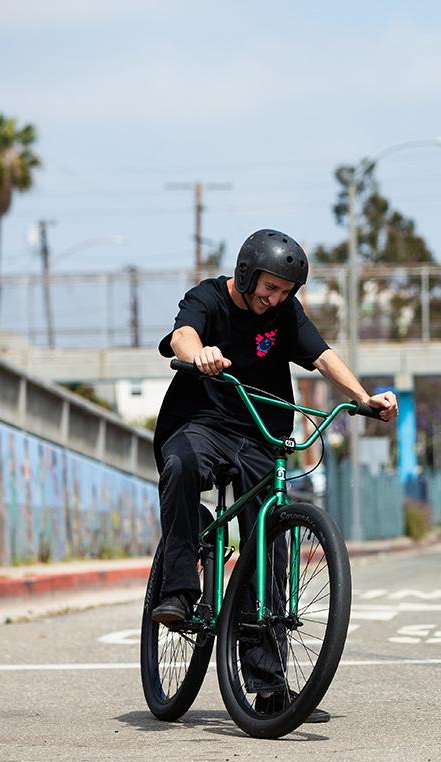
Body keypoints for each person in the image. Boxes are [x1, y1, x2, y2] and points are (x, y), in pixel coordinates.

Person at [150, 228, 397, 721]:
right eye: (270, 288)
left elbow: (322, 356)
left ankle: (270, 689)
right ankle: (178, 589)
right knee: (181, 465)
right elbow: (182, 335)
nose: (276, 298)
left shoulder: (285, 313)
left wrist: (363, 397)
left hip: (261, 434)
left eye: (285, 291)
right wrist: (200, 354)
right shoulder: (208, 298)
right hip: (201, 424)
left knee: (268, 546)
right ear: (246, 273)